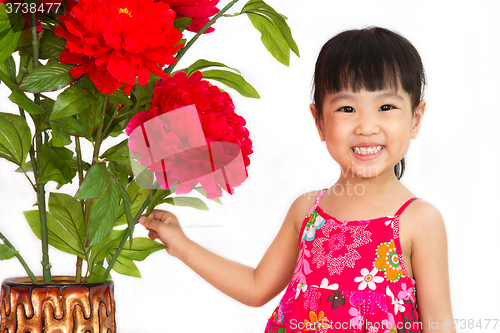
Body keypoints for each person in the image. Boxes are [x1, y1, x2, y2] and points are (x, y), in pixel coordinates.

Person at [139, 27, 455, 333]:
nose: (367, 126)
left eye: (386, 107)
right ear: (319, 122)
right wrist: (180, 244)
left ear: (415, 118)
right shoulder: (307, 210)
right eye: (347, 108)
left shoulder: (419, 220)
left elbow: (440, 325)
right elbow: (256, 287)